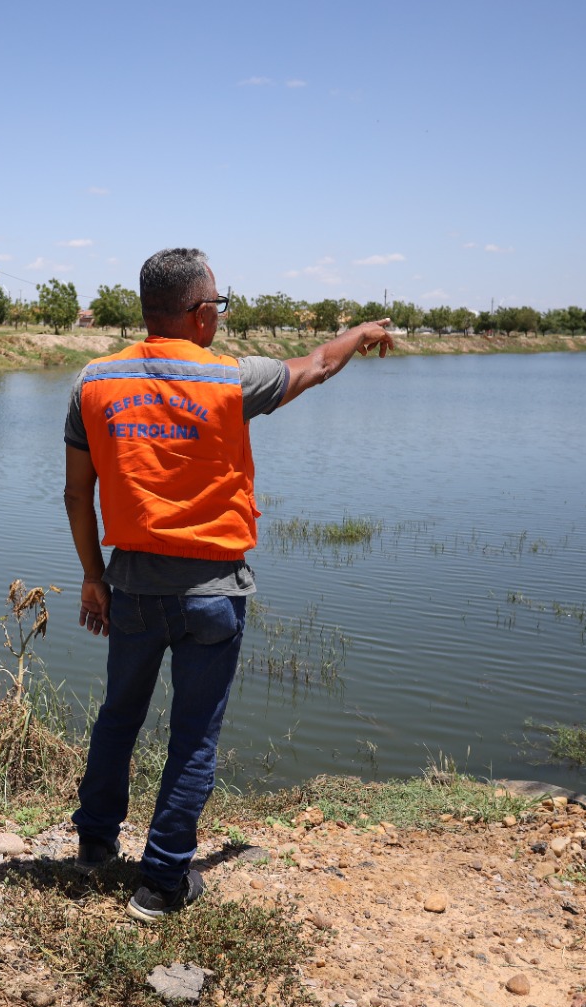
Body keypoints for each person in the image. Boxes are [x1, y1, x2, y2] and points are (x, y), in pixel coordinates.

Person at [63, 248, 393, 920]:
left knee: (117, 718)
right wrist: (360, 333)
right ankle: (160, 884)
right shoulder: (231, 380)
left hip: (130, 589)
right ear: (197, 314)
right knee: (193, 738)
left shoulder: (93, 382)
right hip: (213, 594)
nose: (219, 312)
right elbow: (318, 365)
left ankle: (95, 845)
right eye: (218, 302)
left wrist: (92, 580)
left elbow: (76, 494)